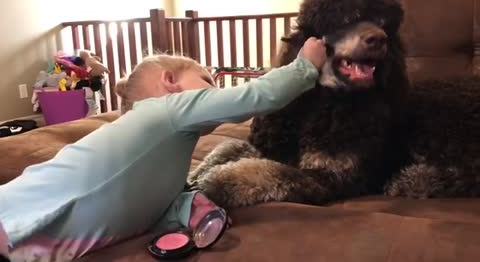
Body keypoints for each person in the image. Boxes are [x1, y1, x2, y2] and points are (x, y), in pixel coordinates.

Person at [0, 37, 327, 262]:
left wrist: (192, 209)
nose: (214, 93)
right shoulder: (169, 110)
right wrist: (305, 65)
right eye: (208, 82)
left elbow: (156, 205)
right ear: (171, 82)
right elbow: (259, 95)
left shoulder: (168, 154)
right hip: (13, 214)